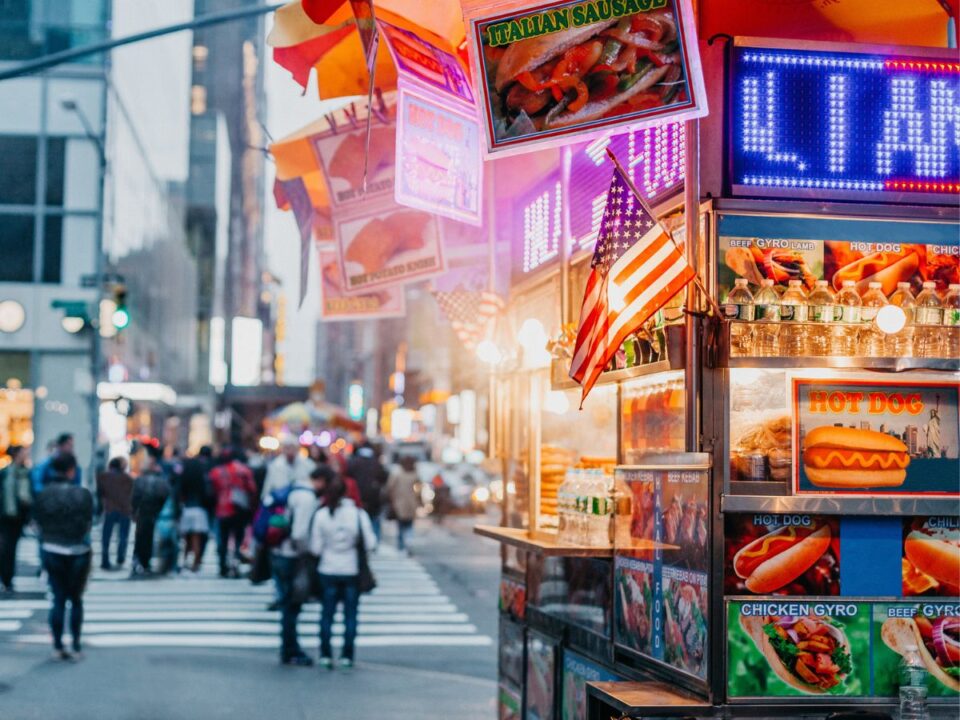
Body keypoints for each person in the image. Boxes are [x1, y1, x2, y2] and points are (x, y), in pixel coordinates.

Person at [310, 475, 377, 669]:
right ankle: (347, 655)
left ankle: (325, 654)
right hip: (351, 569)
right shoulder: (357, 514)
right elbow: (370, 543)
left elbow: (315, 548)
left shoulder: (322, 514)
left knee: (327, 614)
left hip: (327, 568)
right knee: (350, 615)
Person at [33, 452, 93, 660]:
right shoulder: (82, 494)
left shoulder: (44, 494)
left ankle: (58, 646)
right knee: (75, 599)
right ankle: (76, 645)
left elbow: (37, 521)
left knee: (58, 598)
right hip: (78, 550)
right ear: (71, 470)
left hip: (52, 547)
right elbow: (89, 520)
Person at [272, 464, 333, 666]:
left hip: (280, 552)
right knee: (291, 605)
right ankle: (290, 649)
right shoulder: (307, 498)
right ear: (322, 481)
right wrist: (306, 552)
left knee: (287, 603)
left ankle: (288, 648)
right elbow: (299, 533)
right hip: (291, 556)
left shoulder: (295, 489)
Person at [209, 448, 257, 578]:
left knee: (222, 540)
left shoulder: (215, 472)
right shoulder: (243, 470)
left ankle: (223, 566)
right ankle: (235, 562)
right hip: (239, 510)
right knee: (238, 538)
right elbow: (252, 490)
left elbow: (211, 492)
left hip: (222, 509)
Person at [130, 448, 171, 577]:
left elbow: (134, 497)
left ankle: (138, 561)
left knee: (140, 538)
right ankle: (146, 562)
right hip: (154, 513)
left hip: (142, 512)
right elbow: (165, 495)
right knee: (149, 538)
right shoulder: (161, 481)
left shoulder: (140, 480)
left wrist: (134, 511)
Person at [0, 446, 32, 593]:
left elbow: (29, 496)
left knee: (11, 549)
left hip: (17, 517)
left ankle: (8, 579)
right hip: (5, 516)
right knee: (5, 548)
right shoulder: (5, 473)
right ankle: (6, 578)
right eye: (23, 453)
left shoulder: (26, 473)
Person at [177, 448, 213, 573]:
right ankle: (196, 563)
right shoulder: (203, 477)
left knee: (187, 538)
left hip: (187, 508)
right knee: (197, 538)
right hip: (200, 509)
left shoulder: (185, 477)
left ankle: (185, 560)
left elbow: (180, 492)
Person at [96, 457, 133, 571]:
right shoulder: (128, 479)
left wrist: (100, 509)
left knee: (106, 537)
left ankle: (105, 560)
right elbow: (131, 494)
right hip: (125, 509)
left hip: (110, 509)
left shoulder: (103, 477)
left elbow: (100, 494)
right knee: (123, 536)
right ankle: (120, 557)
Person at [346, 441, 387, 541]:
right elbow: (384, 477)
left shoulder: (354, 462)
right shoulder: (376, 463)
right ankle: (374, 542)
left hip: (358, 497)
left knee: (360, 521)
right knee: (373, 521)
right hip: (373, 497)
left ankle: (363, 542)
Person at [385, 456, 420, 554]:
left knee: (400, 526)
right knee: (409, 525)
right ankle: (408, 542)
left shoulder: (397, 474)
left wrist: (391, 500)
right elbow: (418, 489)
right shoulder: (414, 474)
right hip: (411, 503)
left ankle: (401, 546)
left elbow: (389, 487)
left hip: (399, 503)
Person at [261, 436, 314, 500]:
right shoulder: (275, 465)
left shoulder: (308, 464)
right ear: (283, 449)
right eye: (287, 448)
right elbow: (268, 486)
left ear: (297, 449)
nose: (290, 451)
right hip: (279, 501)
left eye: (292, 448)